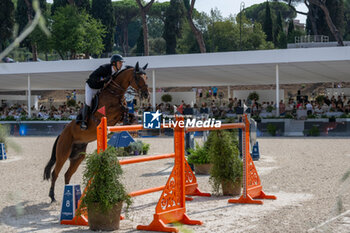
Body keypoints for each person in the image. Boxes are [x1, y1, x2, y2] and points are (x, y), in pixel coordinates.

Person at [80, 54, 125, 130]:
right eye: (120, 62)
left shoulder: (116, 72)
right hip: (91, 87)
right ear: (114, 63)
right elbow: (92, 76)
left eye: (121, 63)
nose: (121, 64)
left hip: (100, 88)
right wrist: (103, 79)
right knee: (88, 102)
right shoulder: (104, 68)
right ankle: (83, 121)